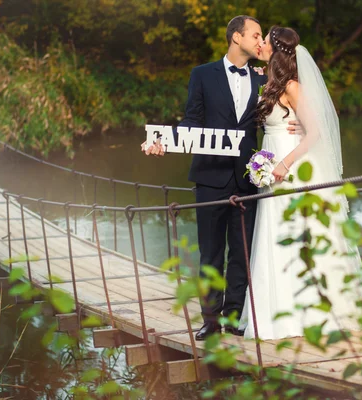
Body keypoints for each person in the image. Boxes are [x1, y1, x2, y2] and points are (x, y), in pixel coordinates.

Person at [143, 16, 301, 340]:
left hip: (250, 179)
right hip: (210, 178)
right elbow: (191, 120)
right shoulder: (202, 75)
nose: (260, 41)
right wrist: (165, 143)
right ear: (236, 37)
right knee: (211, 254)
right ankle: (210, 321)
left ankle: (233, 320)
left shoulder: (263, 79)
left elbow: (286, 111)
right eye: (255, 35)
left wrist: (297, 125)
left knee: (241, 255)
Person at [240, 26, 362, 340]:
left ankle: (316, 313)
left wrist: (284, 163)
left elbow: (315, 132)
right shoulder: (272, 83)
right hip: (272, 166)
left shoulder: (292, 86)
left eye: (264, 41)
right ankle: (277, 315)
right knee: (274, 235)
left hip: (290, 167)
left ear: (276, 50)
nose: (259, 44)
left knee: (300, 233)